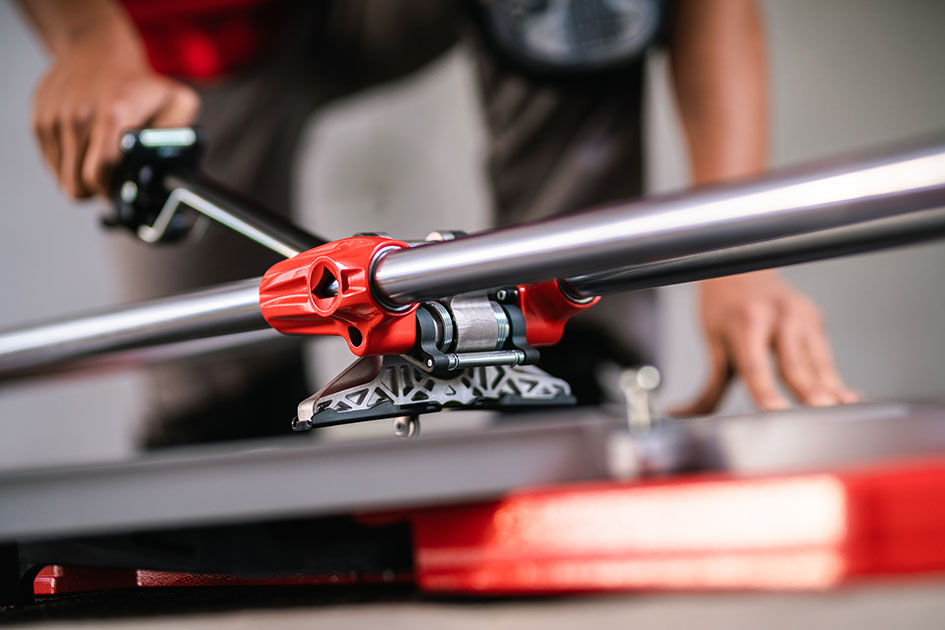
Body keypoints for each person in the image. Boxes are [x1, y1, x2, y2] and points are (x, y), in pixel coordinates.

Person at [15, 0, 859, 446]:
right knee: (211, 413)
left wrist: (735, 264)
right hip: (189, 33)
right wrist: (90, 38)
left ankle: (570, 357)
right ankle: (223, 421)